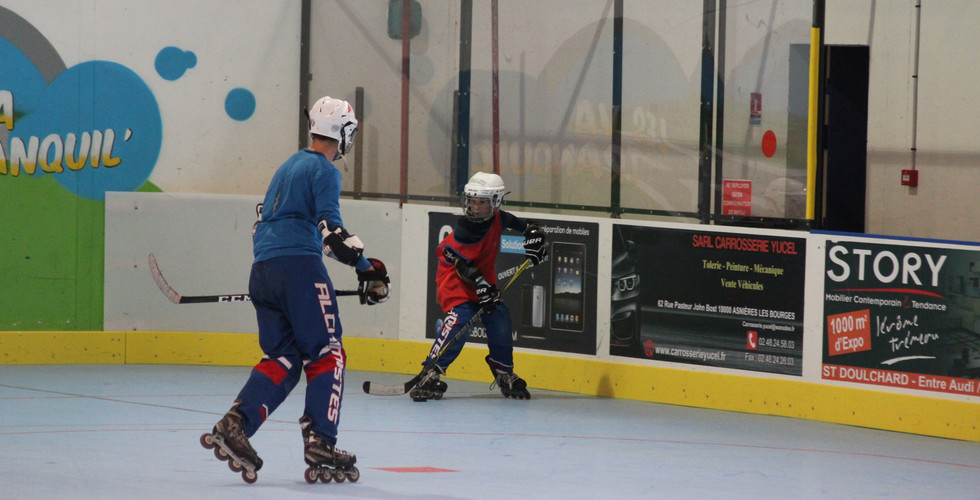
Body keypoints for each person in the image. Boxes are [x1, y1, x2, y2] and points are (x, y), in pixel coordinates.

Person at [202, 96, 390, 483]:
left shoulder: (287, 166)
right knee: (327, 352)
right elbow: (332, 232)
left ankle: (236, 424)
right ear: (344, 133)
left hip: (263, 271)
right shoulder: (324, 170)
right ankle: (321, 439)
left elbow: (266, 223)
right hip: (300, 269)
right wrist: (368, 271)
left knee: (283, 358)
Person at [410, 172, 546, 402]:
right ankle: (431, 371)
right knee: (461, 319)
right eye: (472, 201)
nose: (474, 207)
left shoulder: (500, 218)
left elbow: (526, 226)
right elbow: (462, 266)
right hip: (455, 281)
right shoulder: (466, 229)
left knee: (499, 316)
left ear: (496, 202)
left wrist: (535, 236)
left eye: (481, 202)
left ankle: (503, 372)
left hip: (482, 280)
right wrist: (482, 285)